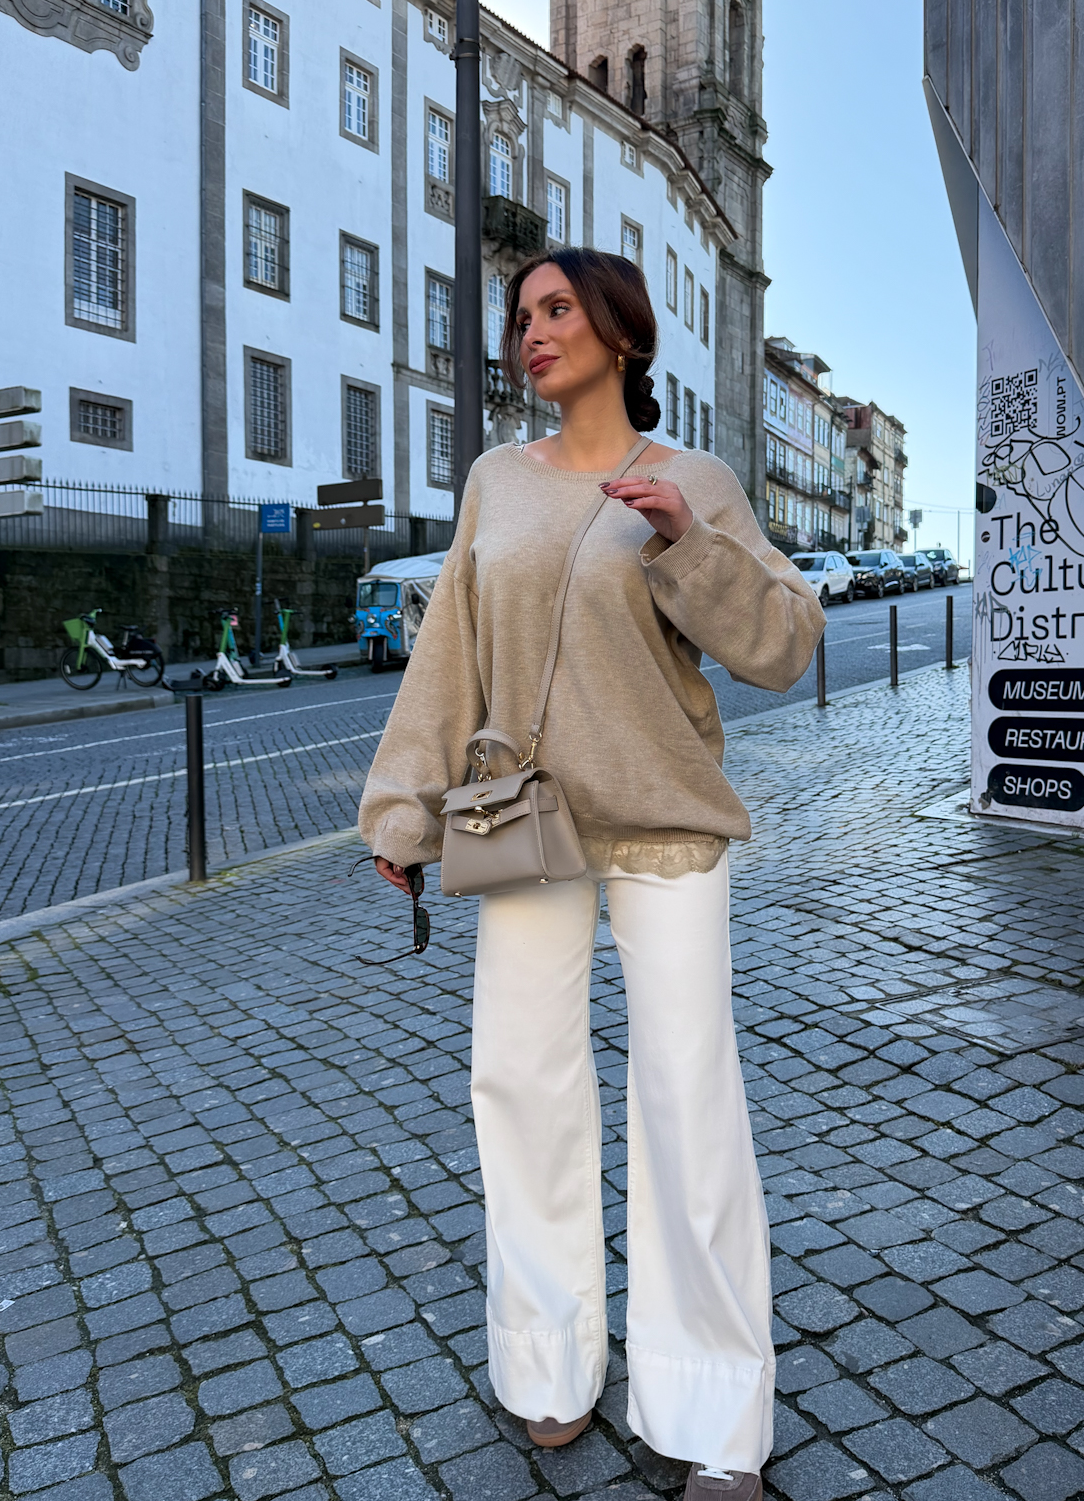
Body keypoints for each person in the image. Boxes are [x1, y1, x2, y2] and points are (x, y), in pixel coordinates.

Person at [359, 247, 825, 1501]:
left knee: (687, 1100)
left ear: (623, 332)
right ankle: (548, 1362)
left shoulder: (695, 479)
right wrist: (402, 808)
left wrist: (686, 544)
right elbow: (449, 653)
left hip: (663, 818)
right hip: (523, 820)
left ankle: (712, 1405)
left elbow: (785, 642)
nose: (532, 330)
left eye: (558, 308)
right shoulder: (495, 482)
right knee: (520, 1084)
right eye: (522, 314)